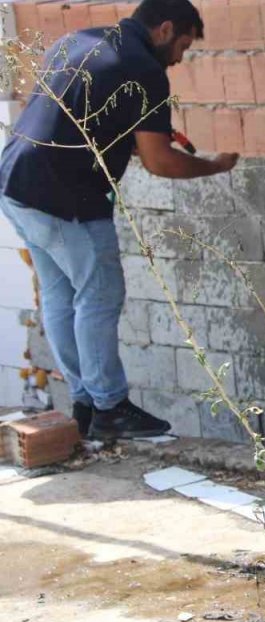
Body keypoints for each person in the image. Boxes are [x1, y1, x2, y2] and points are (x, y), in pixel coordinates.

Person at [0, 0, 240, 439]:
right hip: (62, 196)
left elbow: (69, 117)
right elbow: (162, 162)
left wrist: (120, 136)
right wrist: (215, 165)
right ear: (165, 29)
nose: (181, 58)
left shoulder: (77, 41)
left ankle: (85, 404)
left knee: (60, 294)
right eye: (183, 45)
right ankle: (110, 408)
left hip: (15, 182)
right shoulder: (145, 70)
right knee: (99, 295)